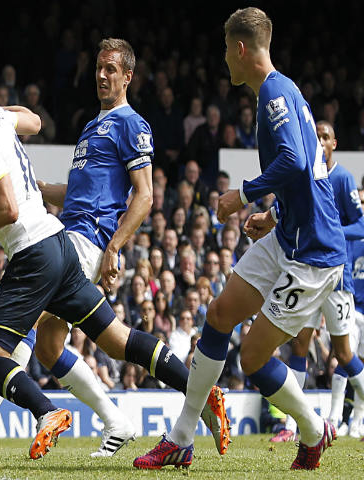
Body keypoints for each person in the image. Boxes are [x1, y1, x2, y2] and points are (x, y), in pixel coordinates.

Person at [0, 40, 225, 459]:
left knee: (26, 325)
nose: (102, 76)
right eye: (99, 68)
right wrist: (37, 186)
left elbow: (145, 196)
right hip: (65, 231)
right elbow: (75, 187)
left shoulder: (131, 124)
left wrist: (115, 247)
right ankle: (155, 405)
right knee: (76, 343)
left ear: (128, 76)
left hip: (85, 240)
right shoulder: (91, 126)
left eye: (111, 69)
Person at [136, 8, 345, 471]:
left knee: (252, 358)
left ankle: (312, 430)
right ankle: (182, 438)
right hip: (289, 233)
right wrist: (272, 216)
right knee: (218, 314)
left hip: (314, 252)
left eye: (226, 50)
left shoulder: (273, 93)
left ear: (242, 48)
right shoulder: (285, 90)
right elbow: (307, 175)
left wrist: (243, 195)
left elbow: (292, 162)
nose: (224, 59)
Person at [270, 122, 364, 442]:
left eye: (326, 137)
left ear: (334, 143)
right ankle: (290, 427)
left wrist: (334, 233)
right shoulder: (304, 176)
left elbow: (361, 224)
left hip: (337, 276)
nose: (321, 142)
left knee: (345, 355)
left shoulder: (343, 178)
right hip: (307, 273)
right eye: (317, 137)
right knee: (300, 344)